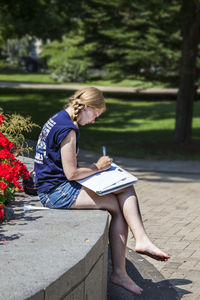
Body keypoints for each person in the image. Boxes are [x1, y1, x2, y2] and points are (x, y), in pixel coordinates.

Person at [34, 87, 170, 295]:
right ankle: (122, 268)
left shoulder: (59, 118)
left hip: (52, 186)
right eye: (95, 115)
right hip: (55, 193)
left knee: (124, 187)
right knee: (118, 206)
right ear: (86, 107)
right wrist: (98, 167)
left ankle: (140, 242)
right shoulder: (69, 129)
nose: (94, 120)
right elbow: (71, 173)